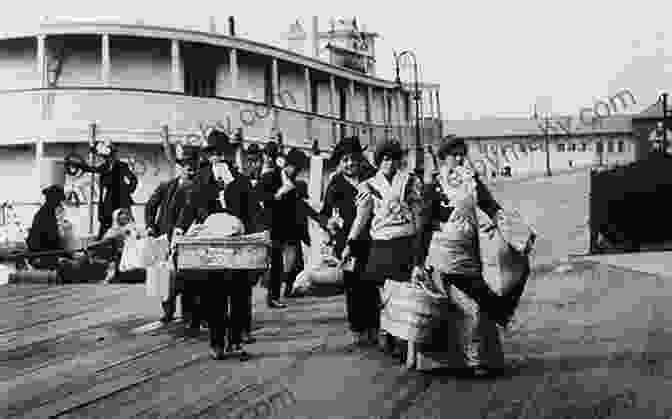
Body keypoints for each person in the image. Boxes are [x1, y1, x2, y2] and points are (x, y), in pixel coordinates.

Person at [421, 137, 515, 376]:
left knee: (482, 305)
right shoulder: (434, 186)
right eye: (454, 155)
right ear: (443, 159)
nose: (460, 159)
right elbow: (423, 226)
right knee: (466, 309)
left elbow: (491, 207)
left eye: (463, 154)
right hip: (444, 258)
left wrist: (508, 228)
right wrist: (416, 263)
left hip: (470, 257)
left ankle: (486, 358)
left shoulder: (472, 182)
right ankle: (473, 361)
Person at [344, 138, 426, 358]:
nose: (389, 163)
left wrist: (420, 242)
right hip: (381, 244)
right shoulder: (368, 185)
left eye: (393, 158)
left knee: (406, 293)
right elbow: (361, 218)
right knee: (384, 294)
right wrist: (349, 244)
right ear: (379, 161)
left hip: (405, 242)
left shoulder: (411, 181)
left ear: (399, 160)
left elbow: (419, 215)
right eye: (385, 159)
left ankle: (403, 338)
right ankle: (387, 332)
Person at [183, 129, 259, 359]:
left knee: (238, 294)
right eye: (212, 154)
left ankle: (235, 341)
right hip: (211, 242)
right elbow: (191, 207)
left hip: (236, 243)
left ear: (227, 154)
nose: (217, 157)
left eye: (220, 153)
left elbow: (251, 211)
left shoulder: (240, 179)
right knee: (214, 294)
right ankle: (217, 342)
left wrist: (258, 236)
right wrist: (179, 230)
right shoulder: (200, 178)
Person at [319, 136, 376, 348]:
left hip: (372, 238)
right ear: (339, 163)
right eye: (345, 160)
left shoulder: (372, 178)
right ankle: (358, 329)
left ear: (360, 159)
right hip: (347, 244)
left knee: (372, 284)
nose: (350, 163)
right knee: (353, 286)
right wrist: (329, 223)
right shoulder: (335, 183)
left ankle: (375, 327)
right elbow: (324, 213)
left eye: (353, 159)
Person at [257, 146, 323, 308]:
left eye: (298, 169)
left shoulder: (294, 183)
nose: (296, 172)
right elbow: (258, 196)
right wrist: (278, 194)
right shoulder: (270, 177)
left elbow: (301, 205)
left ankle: (284, 291)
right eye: (294, 168)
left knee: (294, 261)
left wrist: (322, 220)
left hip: (290, 227)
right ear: (287, 164)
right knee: (277, 262)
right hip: (272, 226)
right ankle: (273, 297)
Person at [145, 144, 200, 325]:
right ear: (181, 167)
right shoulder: (167, 186)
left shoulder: (199, 189)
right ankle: (167, 312)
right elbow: (150, 205)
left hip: (188, 239)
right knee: (164, 275)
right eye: (187, 167)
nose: (190, 171)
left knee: (187, 276)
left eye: (193, 168)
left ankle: (189, 315)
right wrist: (150, 226)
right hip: (164, 237)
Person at [26, 185, 86, 281]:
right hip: (42, 256)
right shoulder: (44, 216)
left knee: (79, 262)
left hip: (50, 253)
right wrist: (67, 256)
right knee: (71, 266)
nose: (59, 203)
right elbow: (48, 242)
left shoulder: (48, 213)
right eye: (58, 200)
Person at [85, 142, 138, 240]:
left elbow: (133, 180)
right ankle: (102, 242)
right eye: (105, 157)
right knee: (105, 223)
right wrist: (80, 166)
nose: (107, 158)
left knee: (126, 225)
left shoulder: (122, 166)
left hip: (120, 201)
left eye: (109, 156)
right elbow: (92, 169)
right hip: (108, 202)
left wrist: (128, 191)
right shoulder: (104, 166)